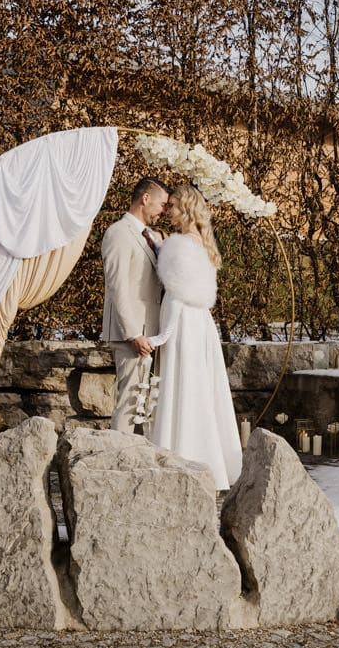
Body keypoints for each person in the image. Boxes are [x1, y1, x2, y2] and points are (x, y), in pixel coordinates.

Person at [145, 184, 244, 490]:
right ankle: (209, 459)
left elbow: (176, 294)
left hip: (183, 325)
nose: (168, 211)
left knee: (182, 385)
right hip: (201, 324)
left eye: (172, 205)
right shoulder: (201, 241)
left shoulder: (179, 244)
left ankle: (180, 454)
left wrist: (163, 336)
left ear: (185, 209)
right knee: (200, 389)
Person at [99, 176, 170, 434]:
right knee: (130, 400)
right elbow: (117, 287)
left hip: (150, 332)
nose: (163, 211)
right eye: (162, 204)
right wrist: (133, 334)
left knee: (144, 401)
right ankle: (118, 460)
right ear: (146, 198)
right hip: (133, 334)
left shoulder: (150, 236)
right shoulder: (118, 233)